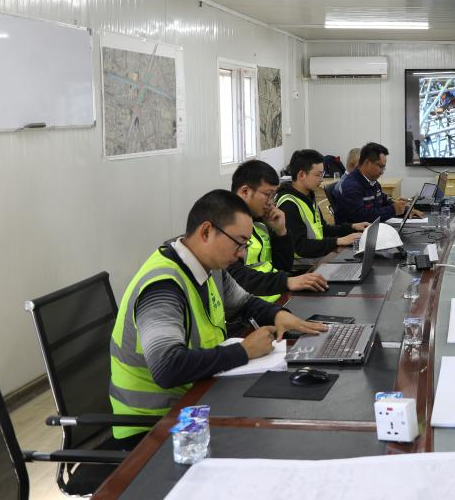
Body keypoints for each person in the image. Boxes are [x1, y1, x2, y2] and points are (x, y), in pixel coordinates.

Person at [109, 190, 327, 446]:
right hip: (154, 427)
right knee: (270, 440)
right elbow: (166, 367)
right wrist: (244, 351)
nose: (242, 254)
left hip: (196, 400)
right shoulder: (163, 287)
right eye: (239, 243)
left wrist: (278, 314)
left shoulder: (208, 266)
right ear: (206, 232)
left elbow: (245, 302)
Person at [229, 159, 331, 299]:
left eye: (273, 195)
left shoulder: (261, 222)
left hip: (278, 297)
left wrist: (281, 232)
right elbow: (236, 278)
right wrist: (286, 281)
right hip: (255, 306)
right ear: (245, 191)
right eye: (267, 195)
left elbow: (282, 268)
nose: (271, 202)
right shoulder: (226, 228)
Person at [277, 149, 369, 259]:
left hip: (317, 256)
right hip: (304, 265)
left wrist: (352, 227)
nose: (321, 179)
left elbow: (324, 229)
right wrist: (339, 241)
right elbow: (301, 247)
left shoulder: (308, 196)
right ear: (301, 175)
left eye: (322, 174)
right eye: (318, 175)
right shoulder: (288, 205)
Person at [334, 142, 423, 223]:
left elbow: (383, 201)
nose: (382, 172)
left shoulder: (372, 181)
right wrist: (393, 210)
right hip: (355, 233)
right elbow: (361, 217)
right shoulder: (351, 186)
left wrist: (404, 209)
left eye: (384, 168)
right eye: (380, 167)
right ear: (367, 163)